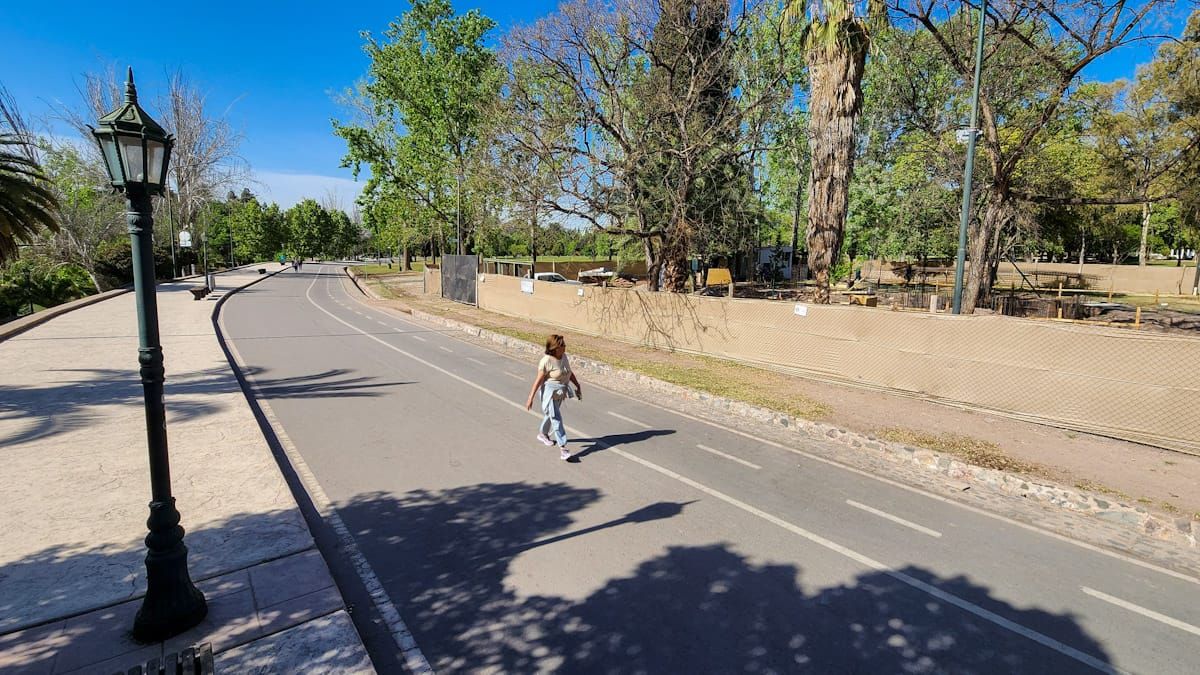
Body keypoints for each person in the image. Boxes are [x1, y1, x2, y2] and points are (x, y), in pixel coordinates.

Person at [526, 334, 582, 460]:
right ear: (555, 348)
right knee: (556, 418)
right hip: (549, 394)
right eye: (562, 345)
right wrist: (530, 397)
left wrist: (578, 385)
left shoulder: (564, 357)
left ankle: (542, 434)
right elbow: (538, 381)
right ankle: (563, 448)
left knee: (550, 415)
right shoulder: (546, 361)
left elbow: (569, 372)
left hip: (560, 392)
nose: (565, 347)